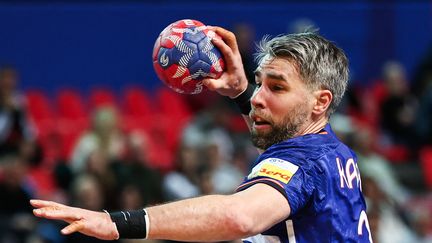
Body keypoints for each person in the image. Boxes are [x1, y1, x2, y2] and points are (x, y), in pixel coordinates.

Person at [30, 26, 372, 242]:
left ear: (320, 102)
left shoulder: (303, 162)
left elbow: (237, 217)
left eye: (277, 87)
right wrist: (238, 91)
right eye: (260, 83)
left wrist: (117, 223)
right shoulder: (330, 148)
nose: (257, 96)